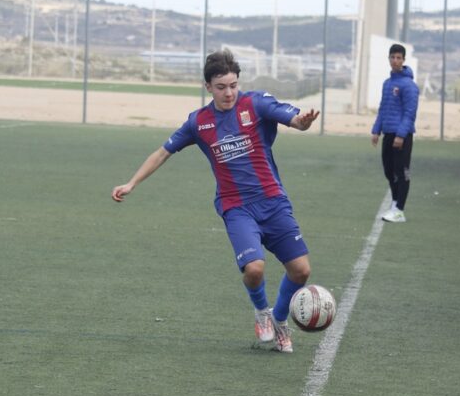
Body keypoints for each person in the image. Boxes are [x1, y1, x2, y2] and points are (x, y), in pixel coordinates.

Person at [111, 49, 320, 354]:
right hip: (236, 207)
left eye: (233, 85)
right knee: (254, 269)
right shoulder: (199, 122)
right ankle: (262, 312)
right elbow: (162, 153)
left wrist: (302, 122)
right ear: (208, 86)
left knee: (301, 271)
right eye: (221, 87)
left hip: (273, 201)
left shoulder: (256, 104)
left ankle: (279, 320)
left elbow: (294, 119)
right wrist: (131, 182)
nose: (229, 93)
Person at [372, 43, 420, 224]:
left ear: (404, 60)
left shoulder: (409, 86)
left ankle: (399, 209)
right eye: (392, 57)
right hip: (388, 133)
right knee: (389, 170)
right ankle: (394, 203)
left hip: (402, 136)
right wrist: (376, 130)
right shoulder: (387, 83)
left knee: (402, 171)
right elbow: (383, 108)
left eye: (399, 58)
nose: (395, 61)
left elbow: (410, 112)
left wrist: (401, 135)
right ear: (389, 59)